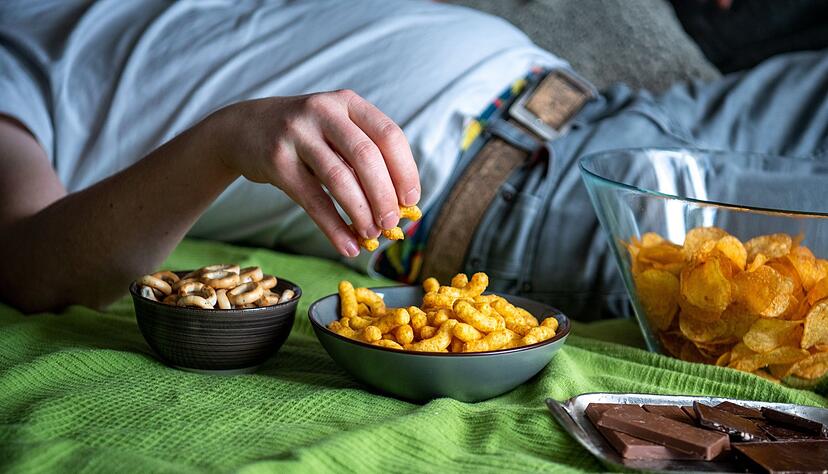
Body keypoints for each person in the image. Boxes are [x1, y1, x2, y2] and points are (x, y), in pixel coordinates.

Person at [1, 0, 827, 320]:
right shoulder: (14, 53)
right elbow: (31, 263)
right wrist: (225, 140)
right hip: (534, 197)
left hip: (622, 105)